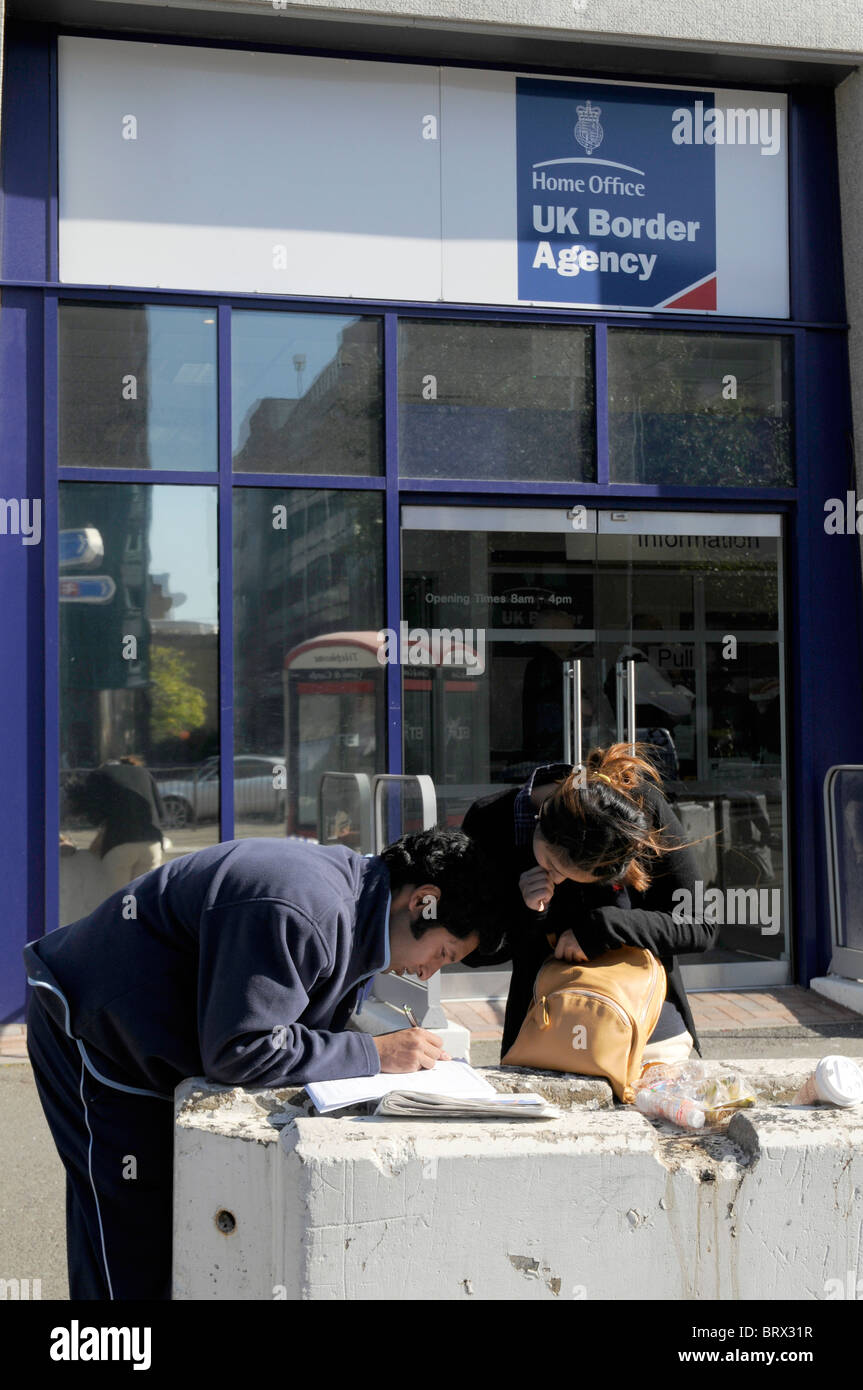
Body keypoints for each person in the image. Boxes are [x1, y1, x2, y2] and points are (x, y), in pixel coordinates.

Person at [24, 828, 499, 1301]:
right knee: (129, 1233)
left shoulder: (358, 904)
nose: (428, 973)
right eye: (442, 954)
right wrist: (377, 1053)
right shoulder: (304, 907)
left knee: (170, 1219)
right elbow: (243, 1048)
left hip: (154, 1036)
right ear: (423, 901)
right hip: (92, 1030)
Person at [461, 743, 716, 1064]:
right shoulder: (492, 821)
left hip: (641, 1019)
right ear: (541, 821)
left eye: (573, 876)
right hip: (543, 1027)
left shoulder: (636, 807)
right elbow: (469, 950)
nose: (558, 879)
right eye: (552, 866)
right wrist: (526, 912)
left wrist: (605, 927)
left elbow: (700, 923)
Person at [78, 756, 167, 893]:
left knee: (120, 900)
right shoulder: (143, 772)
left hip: (119, 844)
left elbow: (94, 816)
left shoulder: (99, 774)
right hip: (152, 844)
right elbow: (161, 812)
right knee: (143, 900)